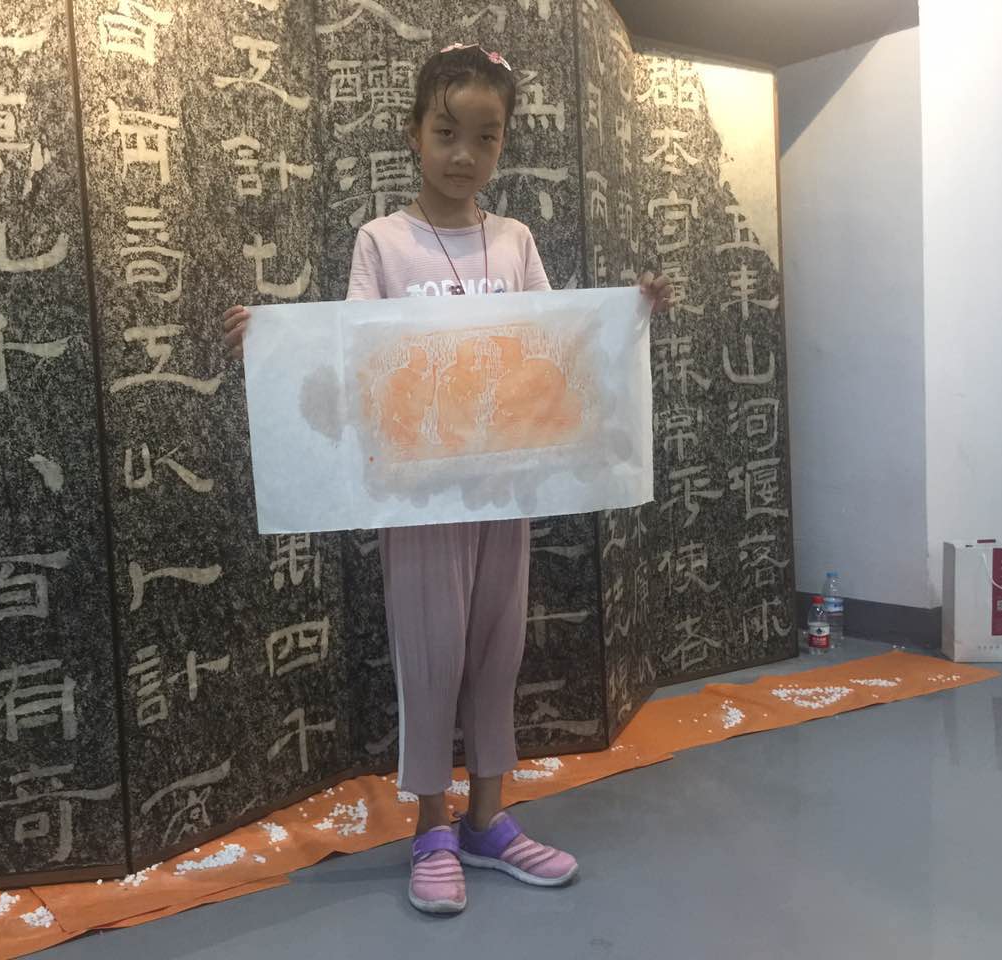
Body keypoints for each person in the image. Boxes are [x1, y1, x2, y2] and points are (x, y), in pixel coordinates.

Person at [222, 42, 671, 916]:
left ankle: (488, 822)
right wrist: (274, 346)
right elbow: (350, 353)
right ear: (414, 134)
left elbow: (558, 342)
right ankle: (432, 827)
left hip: (508, 487)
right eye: (446, 133)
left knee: (499, 653)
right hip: (419, 496)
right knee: (432, 659)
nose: (464, 154)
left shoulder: (516, 240)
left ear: (503, 145)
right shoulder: (382, 242)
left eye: (485, 137)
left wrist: (631, 312)